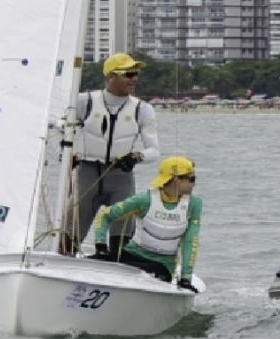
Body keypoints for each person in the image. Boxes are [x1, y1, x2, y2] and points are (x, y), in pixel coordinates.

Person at [71, 52, 160, 250]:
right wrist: (68, 154)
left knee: (120, 244)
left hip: (120, 177)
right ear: (111, 76)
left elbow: (154, 151)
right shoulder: (84, 101)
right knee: (68, 238)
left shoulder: (143, 109)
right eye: (128, 74)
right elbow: (59, 126)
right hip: (87, 173)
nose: (134, 79)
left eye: (136, 74)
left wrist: (137, 157)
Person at [91, 155, 202, 292]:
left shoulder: (194, 204)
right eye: (191, 179)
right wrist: (100, 245)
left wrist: (186, 278)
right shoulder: (145, 200)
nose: (194, 184)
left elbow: (191, 241)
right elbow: (105, 215)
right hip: (131, 256)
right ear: (175, 180)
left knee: (152, 271)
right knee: (92, 262)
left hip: (162, 266)